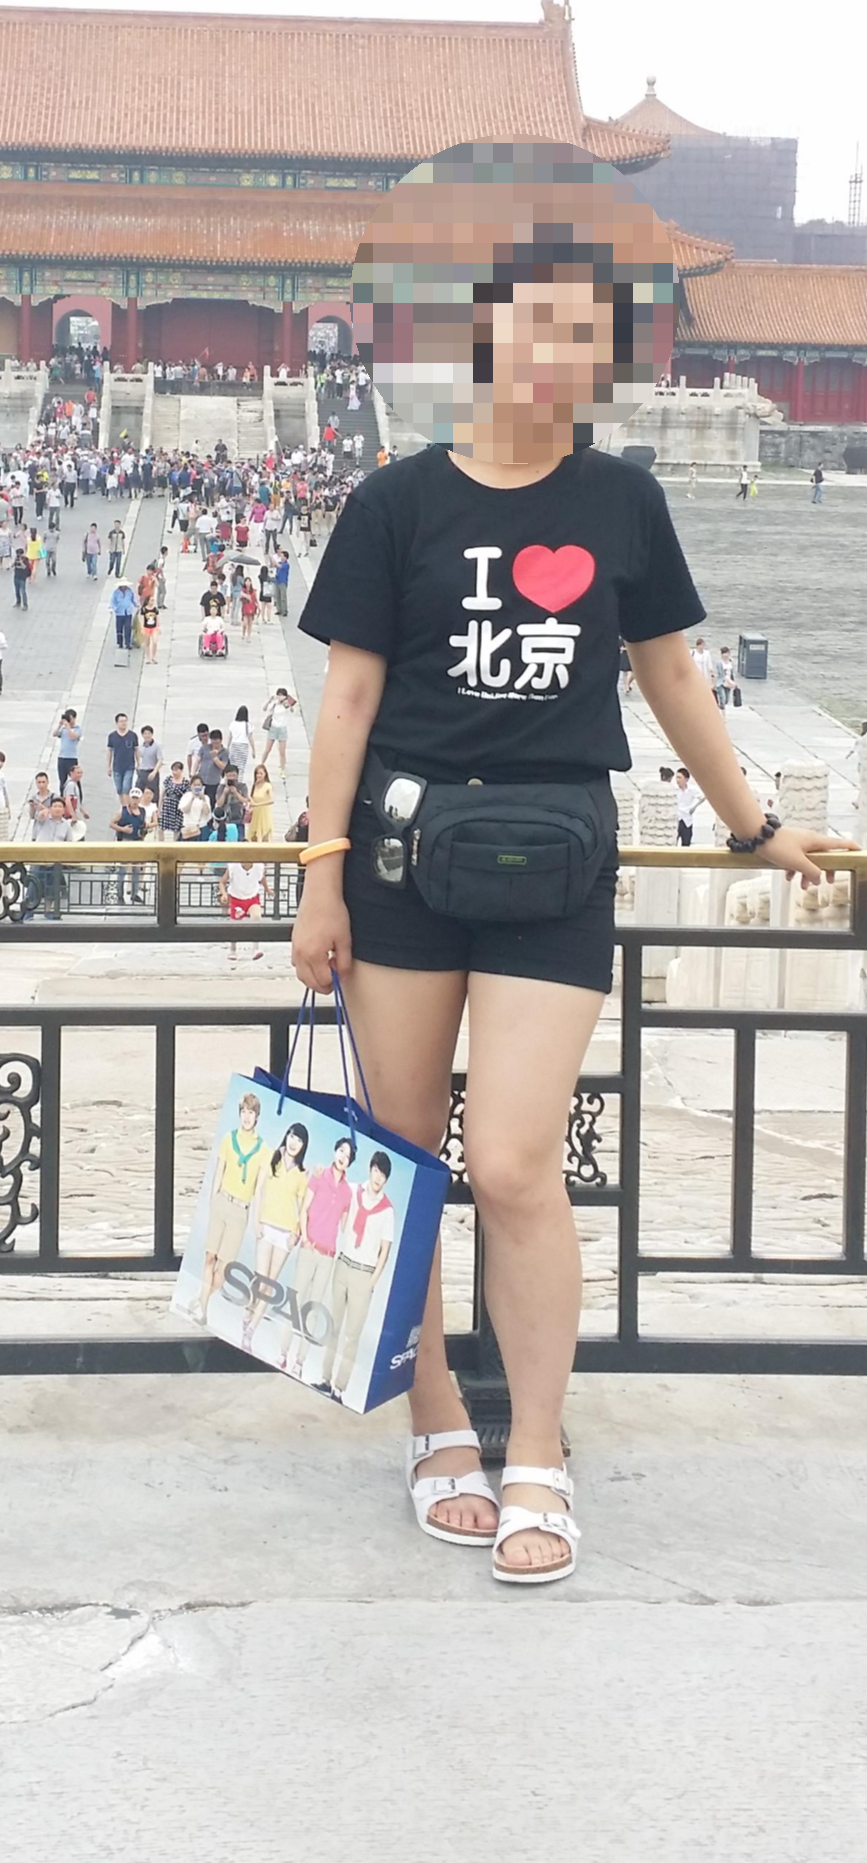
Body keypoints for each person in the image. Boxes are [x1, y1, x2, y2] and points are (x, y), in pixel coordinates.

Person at [290, 160, 852, 1585]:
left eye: (588, 340)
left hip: (555, 862)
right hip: (401, 859)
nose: (562, 361)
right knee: (404, 1158)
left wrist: (751, 826)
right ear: (485, 336)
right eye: (539, 329)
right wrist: (319, 875)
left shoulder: (620, 501)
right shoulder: (394, 502)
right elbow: (347, 699)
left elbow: (670, 674)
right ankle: (435, 1423)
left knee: (511, 1160)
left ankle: (534, 1442)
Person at [319, 1150, 396, 1402]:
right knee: (333, 1326)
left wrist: (372, 1282)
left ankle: (339, 1388)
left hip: (364, 1272)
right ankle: (325, 1378)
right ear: (369, 1169)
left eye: (383, 1174)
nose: (378, 1177)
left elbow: (385, 1251)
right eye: (376, 1171)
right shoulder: (353, 1191)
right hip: (343, 1264)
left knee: (352, 1335)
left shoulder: (387, 1211)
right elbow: (333, 1193)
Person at [191, 1092, 270, 1324]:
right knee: (209, 1257)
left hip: (240, 1210)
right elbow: (219, 1171)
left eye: (251, 1112)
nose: (247, 1117)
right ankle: (203, 1311)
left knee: (224, 1268)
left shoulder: (263, 1150)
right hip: (222, 1201)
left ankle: (201, 1297)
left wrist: (256, 1221)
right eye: (243, 1112)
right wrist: (212, 1201)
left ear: (257, 1116)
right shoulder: (229, 1139)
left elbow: (259, 1189)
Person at [279, 1136, 355, 1380]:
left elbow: (345, 1226)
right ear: (335, 1151)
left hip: (327, 1256)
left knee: (313, 1308)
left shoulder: (347, 1192)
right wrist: (304, 1238)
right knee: (296, 1300)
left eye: (348, 1156)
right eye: (341, 1151)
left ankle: (300, 1361)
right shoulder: (319, 1176)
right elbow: (304, 1209)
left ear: (350, 1162)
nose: (343, 1157)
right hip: (309, 1248)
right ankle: (283, 1353)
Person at [239, 1123, 311, 1353]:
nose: (294, 1142)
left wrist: (296, 1234)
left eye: (299, 1140)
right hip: (266, 1227)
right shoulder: (272, 1158)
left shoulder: (302, 1174)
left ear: (303, 1146)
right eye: (292, 1136)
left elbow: (303, 1207)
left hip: (285, 1234)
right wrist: (256, 1222)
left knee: (269, 1286)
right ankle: (249, 1311)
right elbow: (259, 1190)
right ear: (286, 1136)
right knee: (260, 1281)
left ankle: (250, 1332)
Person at [111, 787, 147, 905]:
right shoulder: (123, 811)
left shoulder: (142, 812)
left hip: (138, 842)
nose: (135, 801)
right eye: (133, 798)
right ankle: (120, 895)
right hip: (125, 841)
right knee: (123, 869)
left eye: (137, 798)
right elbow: (112, 823)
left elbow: (143, 824)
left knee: (136, 869)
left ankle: (134, 893)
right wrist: (123, 829)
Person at [261, 686, 296, 773]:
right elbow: (264, 709)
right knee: (267, 749)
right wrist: (270, 700)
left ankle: (282, 769)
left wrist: (288, 703)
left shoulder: (286, 705)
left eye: (282, 695)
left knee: (282, 752)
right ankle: (261, 764)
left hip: (282, 729)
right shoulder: (274, 704)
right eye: (279, 695)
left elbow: (292, 710)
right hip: (273, 728)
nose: (280, 697)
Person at [106, 712, 139, 797]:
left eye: (125, 721)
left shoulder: (132, 735)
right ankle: (123, 804)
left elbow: (136, 750)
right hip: (117, 766)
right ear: (117, 723)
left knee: (126, 788)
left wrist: (138, 763)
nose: (123, 723)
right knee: (119, 789)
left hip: (129, 766)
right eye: (121, 721)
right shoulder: (112, 736)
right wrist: (108, 766)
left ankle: (126, 804)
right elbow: (110, 751)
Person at [158, 761, 188, 842]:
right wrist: (159, 807)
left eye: (176, 770)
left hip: (178, 806)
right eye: (173, 770)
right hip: (167, 805)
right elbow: (162, 794)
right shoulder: (168, 779)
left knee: (177, 829)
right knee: (160, 827)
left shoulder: (185, 782)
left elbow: (186, 796)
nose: (174, 772)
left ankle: (175, 844)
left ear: (181, 770)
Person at [54, 708, 83, 790]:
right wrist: (60, 725)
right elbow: (55, 734)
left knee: (75, 779)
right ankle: (62, 795)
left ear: (74, 718)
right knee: (62, 780)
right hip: (62, 757)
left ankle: (77, 795)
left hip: (71, 757)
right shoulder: (63, 729)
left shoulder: (78, 728)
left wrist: (68, 727)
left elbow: (72, 737)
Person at [246, 763, 274, 842]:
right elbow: (251, 797)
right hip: (255, 813)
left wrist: (257, 804)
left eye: (261, 773)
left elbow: (271, 800)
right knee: (253, 835)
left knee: (264, 834)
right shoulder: (255, 785)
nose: (259, 775)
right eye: (257, 773)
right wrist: (251, 802)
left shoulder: (268, 786)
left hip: (264, 813)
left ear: (265, 774)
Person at [179, 776, 212, 843]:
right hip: (189, 827)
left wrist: (203, 800)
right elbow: (184, 810)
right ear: (191, 786)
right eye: (194, 785)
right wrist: (192, 798)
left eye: (198, 785)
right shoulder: (186, 796)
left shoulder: (206, 797)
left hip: (201, 826)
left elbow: (206, 812)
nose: (197, 787)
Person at [675, 766, 702, 845]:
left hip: (687, 819)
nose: (677, 780)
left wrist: (693, 807)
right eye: (677, 777)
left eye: (680, 778)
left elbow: (702, 797)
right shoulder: (674, 789)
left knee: (686, 843)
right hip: (676, 818)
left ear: (686, 779)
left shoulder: (692, 789)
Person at [227, 704, 254, 780]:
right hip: (243, 746)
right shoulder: (248, 725)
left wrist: (228, 746)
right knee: (241, 767)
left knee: (233, 766)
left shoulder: (233, 724)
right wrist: (253, 750)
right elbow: (251, 738)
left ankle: (232, 780)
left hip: (234, 745)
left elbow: (230, 736)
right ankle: (240, 781)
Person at [136, 724, 162, 801]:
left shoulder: (156, 746)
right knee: (138, 791)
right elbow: (139, 758)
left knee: (153, 794)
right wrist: (138, 767)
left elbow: (160, 760)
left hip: (151, 772)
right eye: (145, 734)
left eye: (148, 733)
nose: (147, 735)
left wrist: (154, 772)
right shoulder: (140, 747)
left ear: (151, 734)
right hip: (142, 772)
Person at [111, 580, 137, 650]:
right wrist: (115, 608)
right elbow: (113, 601)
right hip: (119, 613)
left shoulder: (129, 591)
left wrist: (136, 604)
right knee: (119, 629)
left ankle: (128, 643)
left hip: (128, 612)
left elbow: (133, 599)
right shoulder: (116, 593)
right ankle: (120, 642)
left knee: (128, 627)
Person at [690, 636, 717, 700]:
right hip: (695, 674)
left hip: (704, 675)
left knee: (703, 689)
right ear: (697, 646)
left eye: (703, 645)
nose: (702, 647)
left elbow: (709, 665)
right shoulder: (692, 652)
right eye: (701, 645)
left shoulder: (706, 653)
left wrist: (712, 676)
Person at [716, 647, 738, 711]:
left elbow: (732, 674)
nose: (725, 655)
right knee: (723, 698)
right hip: (721, 682)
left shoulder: (731, 663)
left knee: (726, 700)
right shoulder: (719, 663)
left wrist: (734, 682)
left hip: (729, 683)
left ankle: (721, 709)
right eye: (723, 653)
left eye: (726, 653)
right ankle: (721, 711)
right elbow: (717, 673)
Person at [273, 548, 290, 617]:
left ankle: (284, 610)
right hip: (277, 581)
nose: (281, 557)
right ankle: (279, 609)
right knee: (277, 596)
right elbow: (274, 565)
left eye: (282, 556)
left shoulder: (286, 565)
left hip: (283, 582)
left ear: (285, 557)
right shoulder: (280, 563)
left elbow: (279, 566)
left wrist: (273, 559)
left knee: (283, 597)